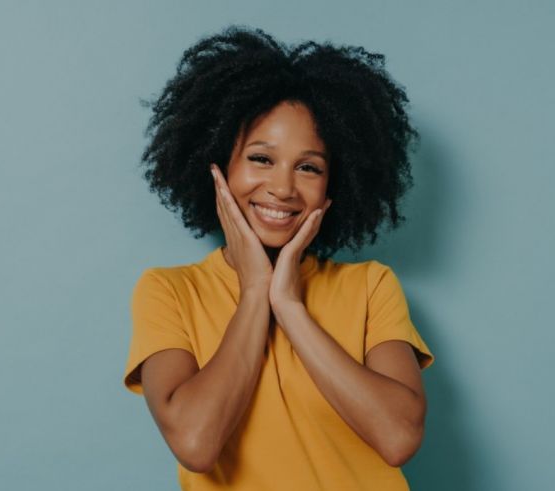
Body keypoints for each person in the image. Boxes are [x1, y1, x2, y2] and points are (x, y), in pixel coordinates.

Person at [122, 25, 435, 491]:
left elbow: (398, 438)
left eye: (309, 167)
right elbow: (195, 442)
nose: (284, 188)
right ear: (217, 166)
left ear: (335, 184)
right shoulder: (169, 291)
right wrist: (254, 291)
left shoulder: (370, 286)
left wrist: (289, 305)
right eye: (261, 159)